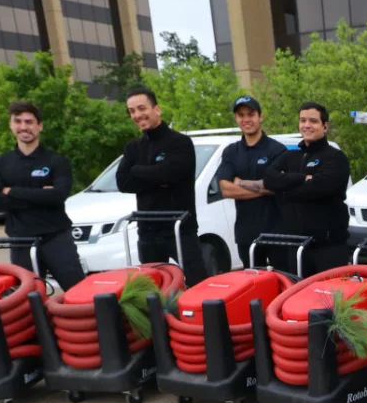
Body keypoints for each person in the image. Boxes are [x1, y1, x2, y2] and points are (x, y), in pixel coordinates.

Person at [115, 87, 212, 286]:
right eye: (132, 111)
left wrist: (137, 171)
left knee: (197, 284)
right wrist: (156, 175)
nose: (137, 115)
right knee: (153, 288)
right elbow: (123, 183)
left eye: (142, 108)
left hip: (179, 228)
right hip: (147, 229)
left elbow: (172, 174)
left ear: (157, 109)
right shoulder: (133, 147)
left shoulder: (180, 142)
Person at [0, 101, 85, 291]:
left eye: (29, 122)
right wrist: (41, 194)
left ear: (39, 126)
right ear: (11, 124)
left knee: (78, 292)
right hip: (20, 240)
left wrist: (12, 191)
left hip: (56, 238)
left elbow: (58, 196)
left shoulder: (57, 161)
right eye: (18, 121)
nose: (24, 127)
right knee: (28, 300)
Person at [263, 102, 352, 276]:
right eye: (303, 120)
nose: (307, 125)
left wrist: (284, 190)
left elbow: (320, 188)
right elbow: (268, 180)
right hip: (295, 245)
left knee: (330, 301)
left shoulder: (335, 157)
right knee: (297, 300)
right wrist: (303, 178)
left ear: (325, 126)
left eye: (313, 121)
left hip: (328, 247)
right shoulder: (290, 156)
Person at [216, 95, 285, 269]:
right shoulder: (231, 152)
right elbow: (225, 189)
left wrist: (239, 182)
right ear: (236, 118)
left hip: (278, 233)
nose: (246, 119)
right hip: (246, 234)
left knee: (285, 282)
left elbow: (279, 187)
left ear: (260, 117)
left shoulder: (277, 150)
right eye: (241, 115)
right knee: (254, 285)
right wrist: (263, 186)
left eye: (251, 114)